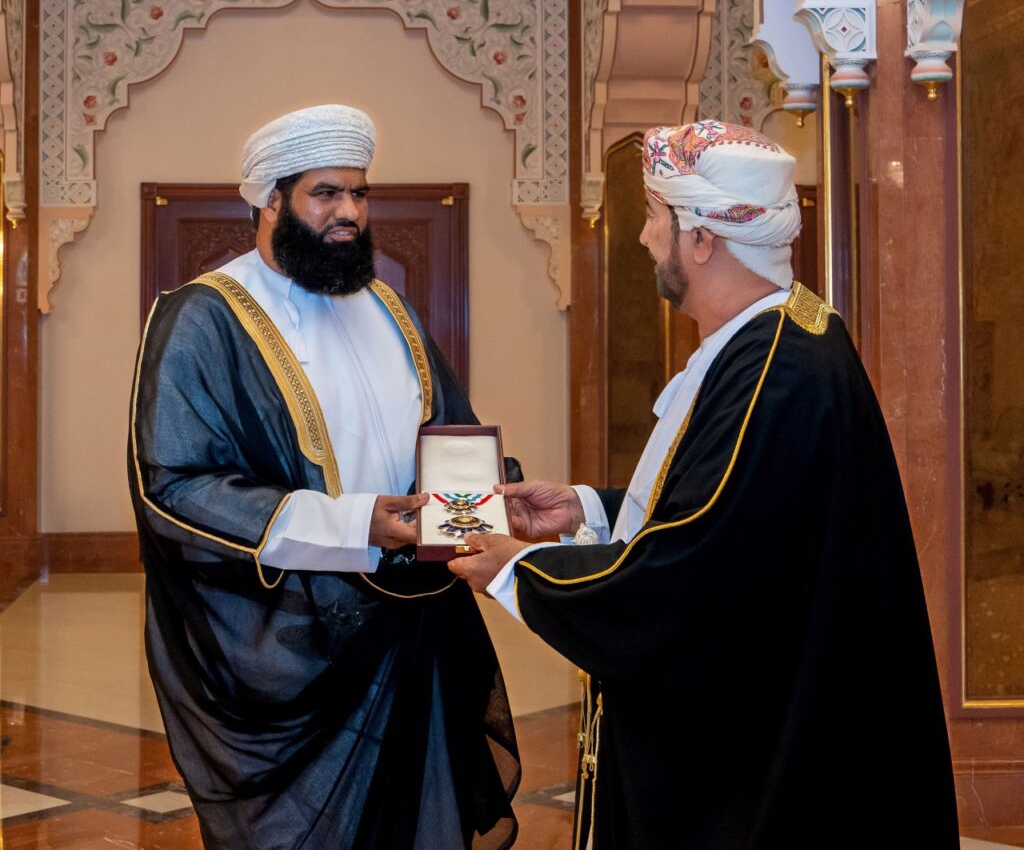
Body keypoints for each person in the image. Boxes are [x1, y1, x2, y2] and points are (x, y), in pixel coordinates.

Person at [449, 120, 959, 849]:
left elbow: (690, 577)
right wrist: (589, 510)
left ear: (701, 238)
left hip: (752, 769)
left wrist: (518, 570)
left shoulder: (775, 371)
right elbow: (732, 514)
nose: (644, 237)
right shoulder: (780, 336)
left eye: (656, 216)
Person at [129, 104, 519, 849]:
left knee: (421, 820)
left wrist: (493, 497)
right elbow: (173, 485)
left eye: (359, 193)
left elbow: (451, 433)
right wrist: (352, 524)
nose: (349, 213)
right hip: (294, 643)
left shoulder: (388, 306)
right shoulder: (205, 317)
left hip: (418, 618)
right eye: (325, 193)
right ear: (269, 201)